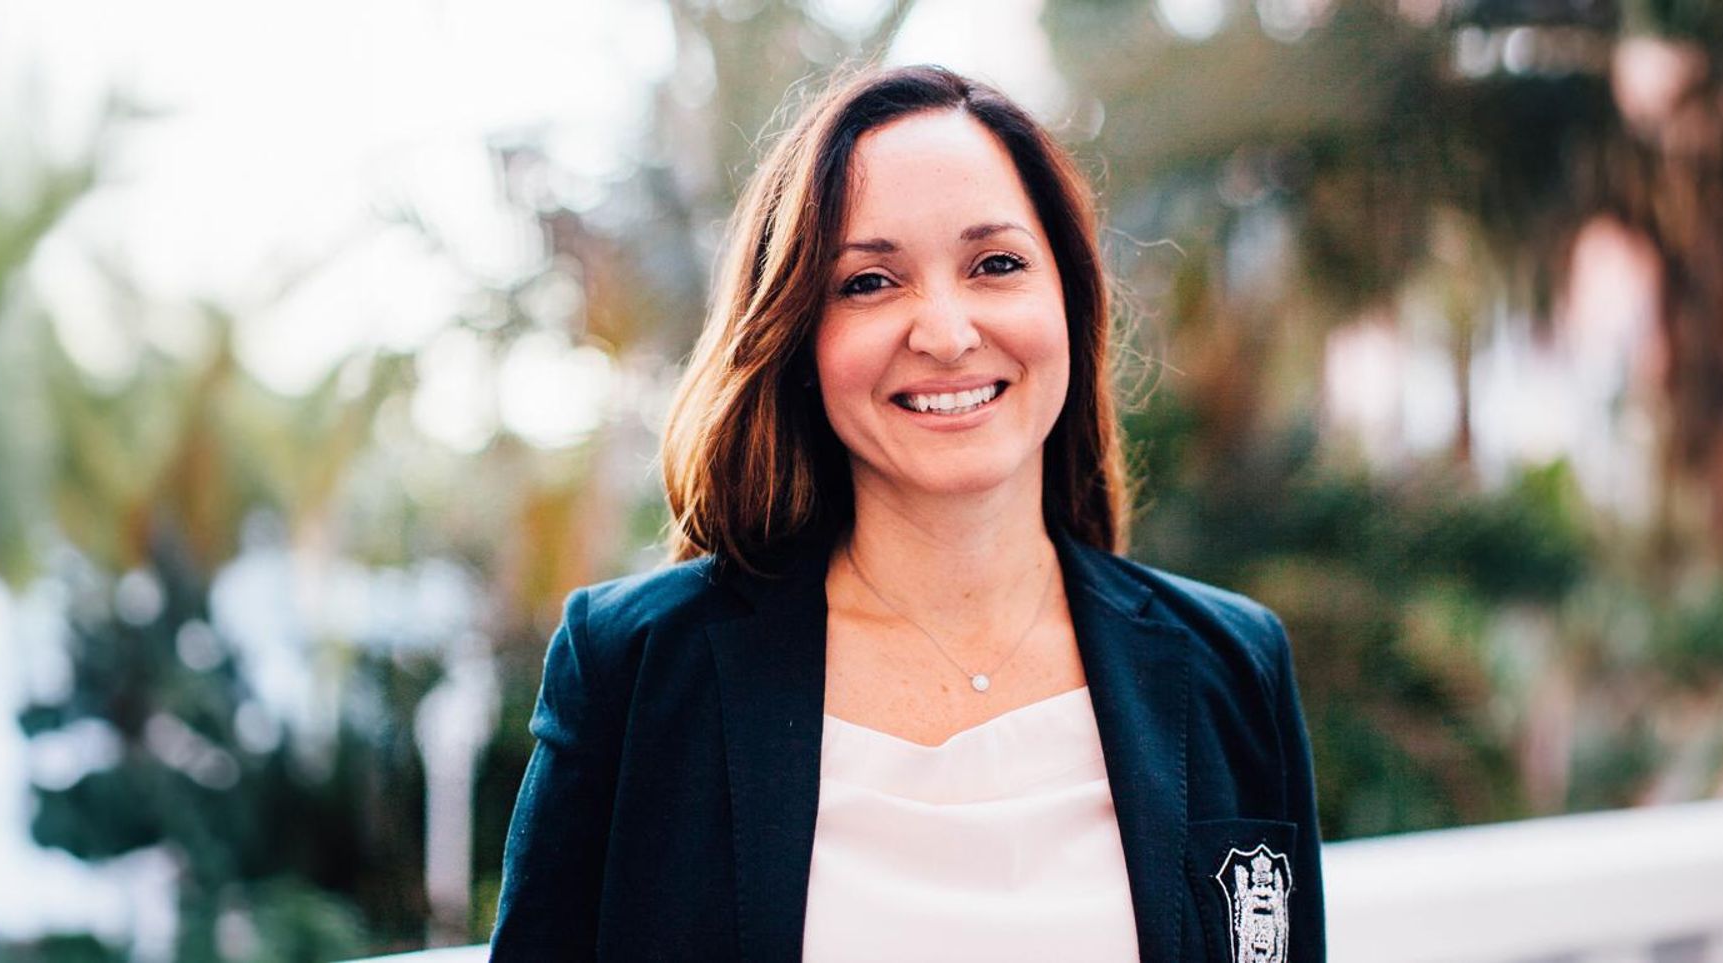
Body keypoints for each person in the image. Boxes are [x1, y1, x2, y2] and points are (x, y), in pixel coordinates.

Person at [490, 64, 1324, 962]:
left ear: (1071, 303)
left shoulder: (1233, 665)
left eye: (995, 264)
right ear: (799, 337)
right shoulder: (635, 670)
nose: (946, 331)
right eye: (870, 283)